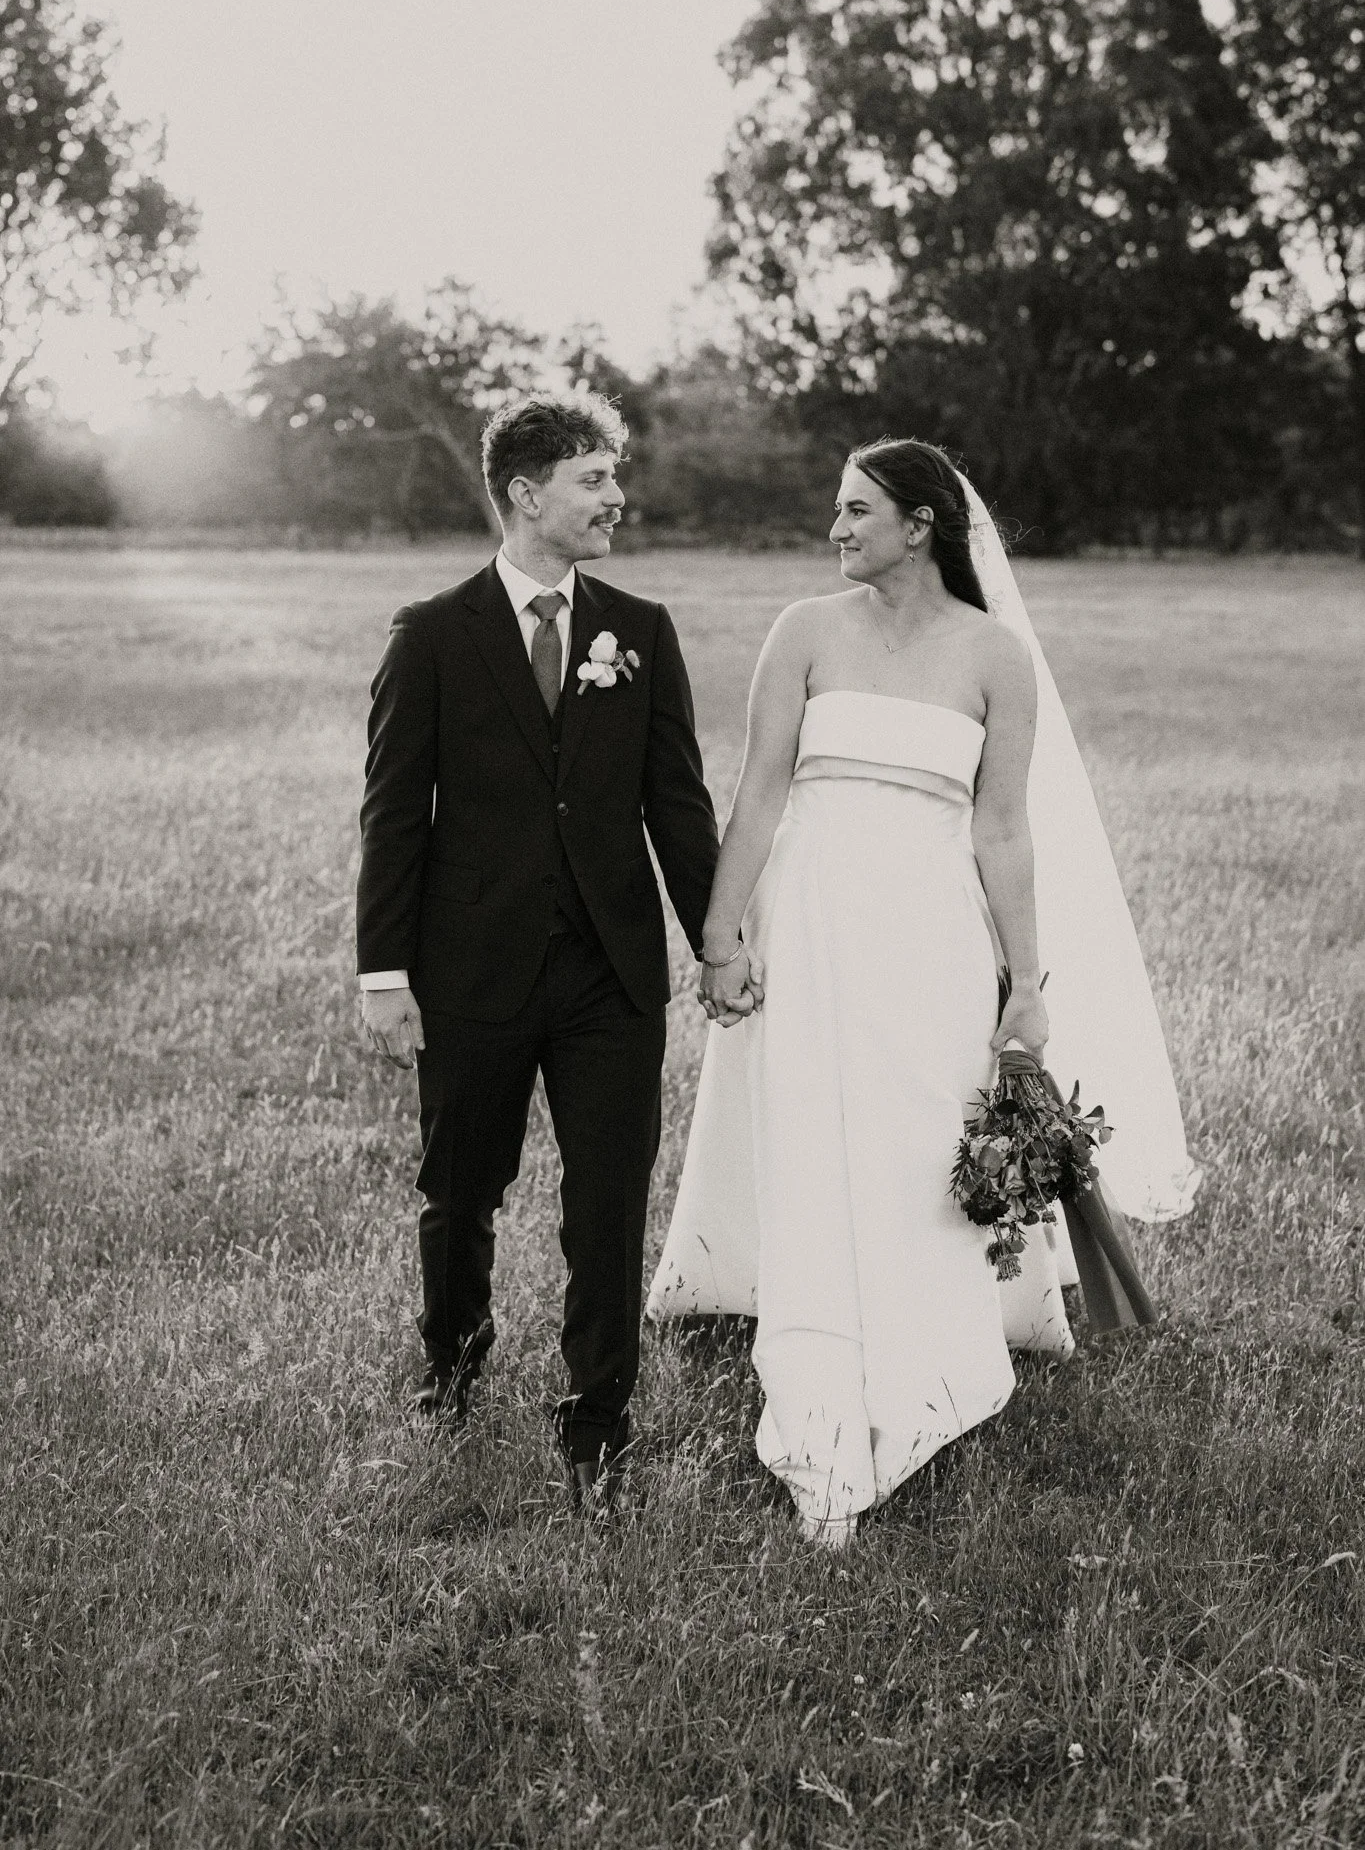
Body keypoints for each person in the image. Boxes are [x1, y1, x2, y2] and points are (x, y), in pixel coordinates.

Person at [648, 438, 1196, 1548]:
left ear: (921, 523)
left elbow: (1003, 826)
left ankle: (928, 1350)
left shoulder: (993, 654)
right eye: (837, 512)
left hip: (933, 934)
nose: (836, 529)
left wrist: (1027, 981)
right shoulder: (802, 631)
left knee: (915, 1137)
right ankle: (816, 1349)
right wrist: (718, 931)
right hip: (807, 919)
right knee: (810, 1127)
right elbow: (754, 794)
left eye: (857, 510)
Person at [356, 391, 720, 1512]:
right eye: (595, 478)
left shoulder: (640, 630)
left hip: (612, 971)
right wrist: (384, 973)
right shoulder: (431, 633)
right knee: (460, 1189)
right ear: (525, 492)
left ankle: (598, 1412)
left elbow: (677, 803)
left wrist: (717, 940)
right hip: (472, 971)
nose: (620, 497)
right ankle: (451, 1369)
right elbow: (392, 814)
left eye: (615, 477)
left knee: (608, 1199)